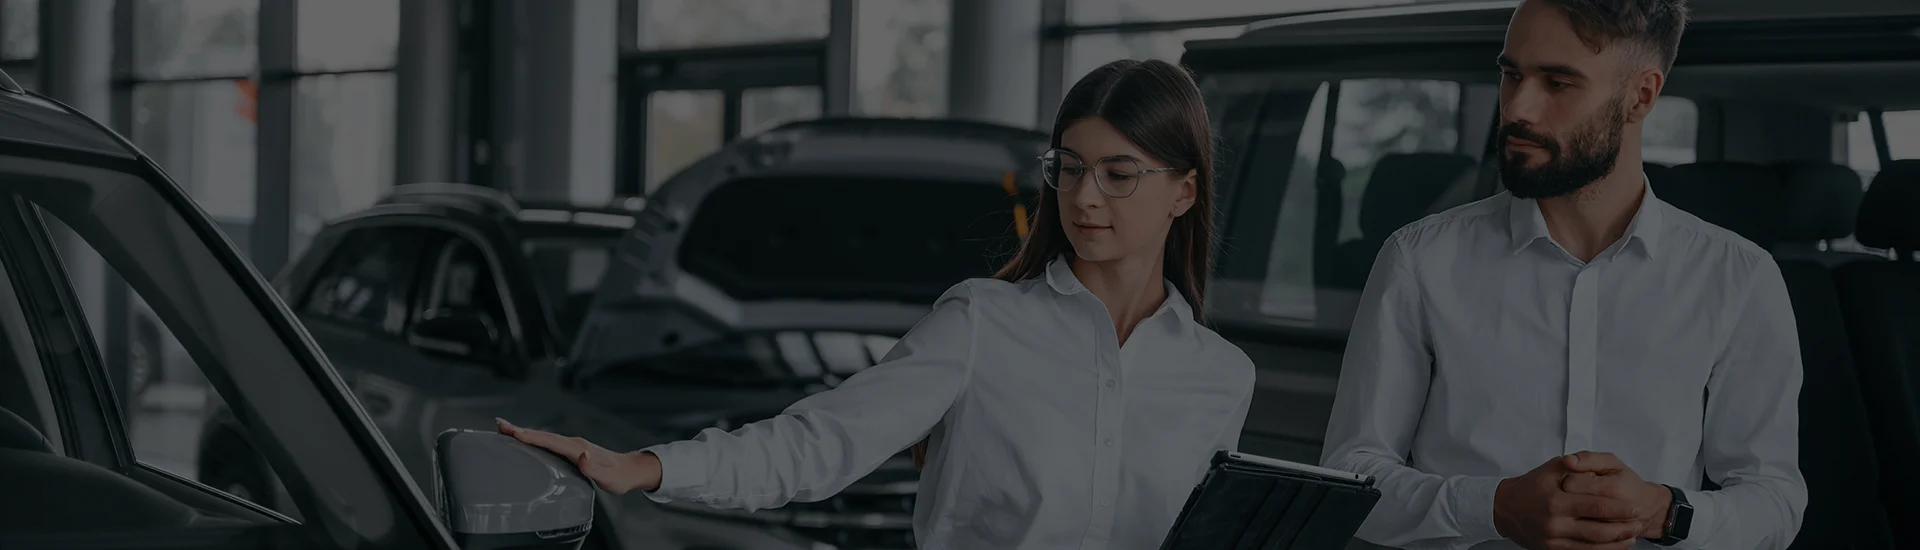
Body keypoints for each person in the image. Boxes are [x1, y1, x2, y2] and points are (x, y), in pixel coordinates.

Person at [497, 58, 1255, 550]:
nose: (1085, 196)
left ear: (1184, 190)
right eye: (1071, 167)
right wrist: (646, 466)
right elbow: (817, 444)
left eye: (1119, 173)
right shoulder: (983, 323)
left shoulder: (1222, 377)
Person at [1320, 1, 1806, 549]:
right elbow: (1349, 481)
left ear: (1641, 95)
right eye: (1511, 75)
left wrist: (1663, 513)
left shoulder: (1738, 280)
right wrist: (1493, 508)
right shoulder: (1419, 261)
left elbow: (1773, 498)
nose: (1518, 108)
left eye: (1557, 82)